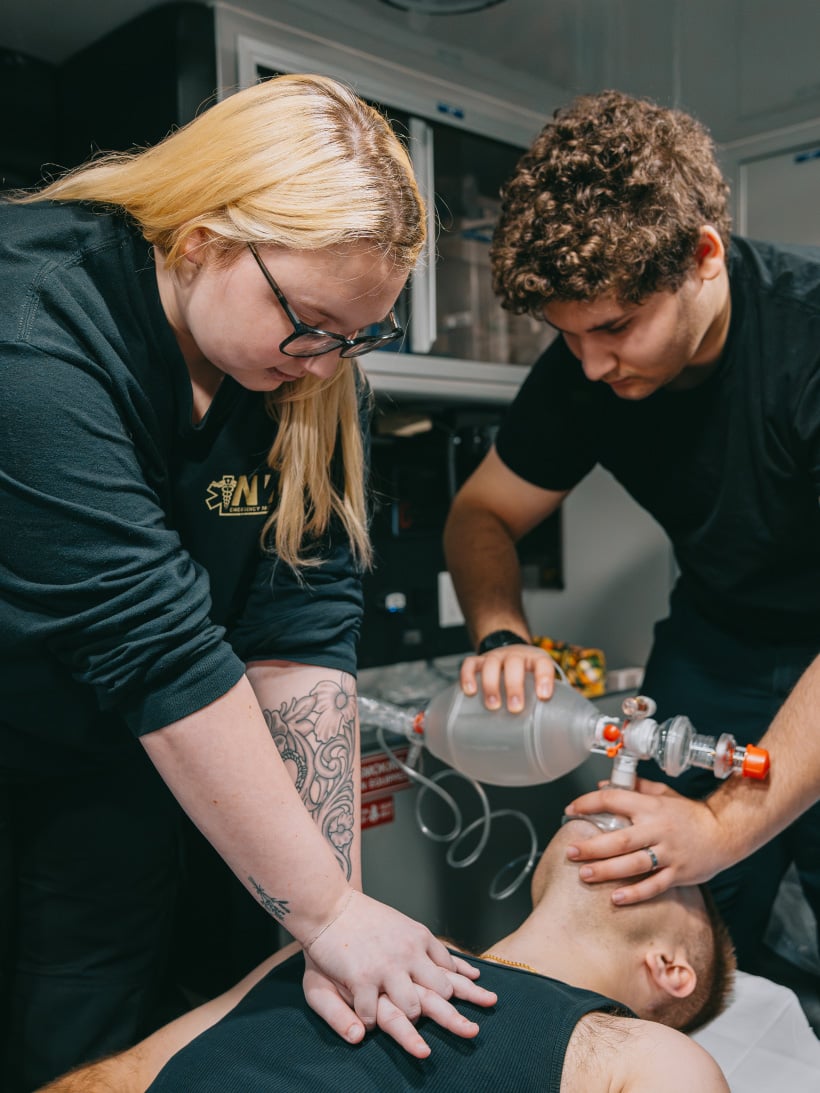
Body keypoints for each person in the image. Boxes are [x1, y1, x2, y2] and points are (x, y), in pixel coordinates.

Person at [0, 74, 493, 1092]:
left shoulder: (305, 366)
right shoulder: (33, 331)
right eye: (312, 325)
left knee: (221, 1004)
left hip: (169, 749)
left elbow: (302, 627)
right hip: (40, 748)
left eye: (356, 338)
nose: (326, 367)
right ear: (201, 244)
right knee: (69, 1033)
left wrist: (326, 912)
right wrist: (325, 912)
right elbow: (151, 642)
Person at [442, 89, 820, 974]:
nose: (593, 364)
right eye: (567, 336)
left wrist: (724, 823)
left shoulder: (808, 342)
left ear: (704, 257)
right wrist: (502, 631)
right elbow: (481, 514)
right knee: (665, 908)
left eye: (615, 327)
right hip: (719, 641)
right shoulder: (583, 373)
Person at [38, 814, 735, 1092]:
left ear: (672, 968)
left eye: (680, 875)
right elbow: (119, 1080)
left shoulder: (642, 1055)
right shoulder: (331, 948)